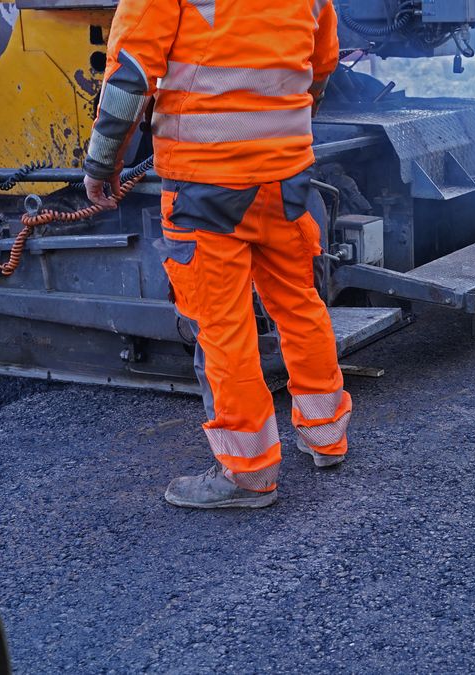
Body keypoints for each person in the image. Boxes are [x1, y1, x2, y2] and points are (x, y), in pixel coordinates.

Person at [82, 0, 351, 509]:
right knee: (299, 304)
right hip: (286, 177)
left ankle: (248, 473)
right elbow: (322, 66)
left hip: (205, 185)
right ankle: (326, 436)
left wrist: (102, 163)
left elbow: (132, 73)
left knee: (223, 326)